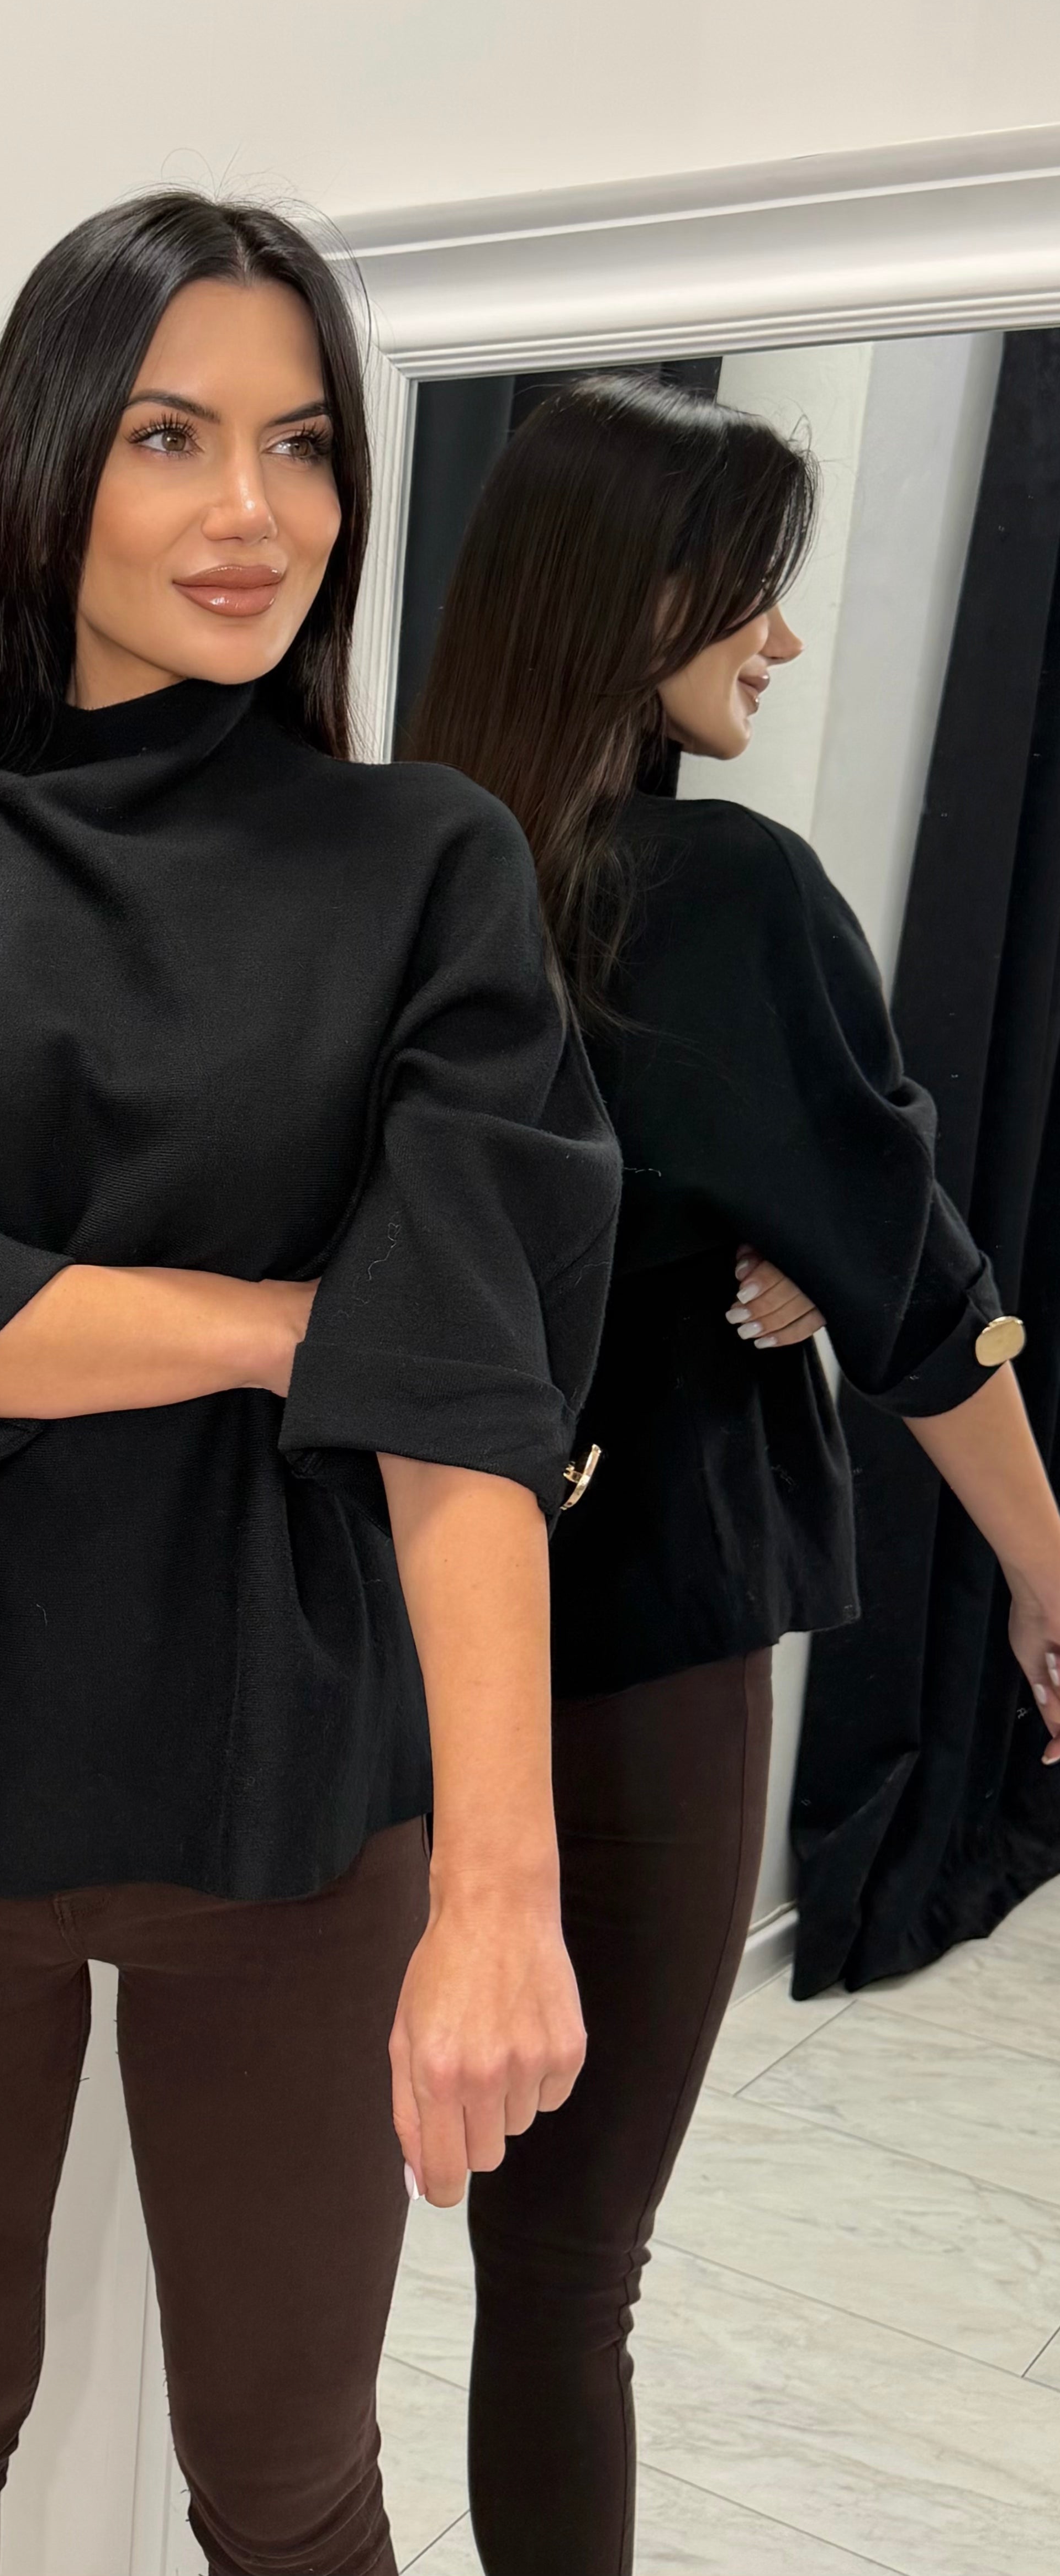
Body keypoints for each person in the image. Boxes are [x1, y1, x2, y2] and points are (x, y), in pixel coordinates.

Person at [0, 194, 621, 2576]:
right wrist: (282, 1320)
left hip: (293, 1798)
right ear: (44, 468)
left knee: (291, 2490)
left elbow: (472, 1381)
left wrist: (499, 1887)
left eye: (305, 445)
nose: (256, 510)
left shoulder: (424, 867)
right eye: (172, 436)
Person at [403, 372, 1060, 2576]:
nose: (778, 638)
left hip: (370, 1624)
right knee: (568, 2267)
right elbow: (920, 1289)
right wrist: (1050, 1572)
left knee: (394, 2251)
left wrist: (743, 1232)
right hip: (641, 1636)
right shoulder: (721, 893)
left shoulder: (402, 864)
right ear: (628, 596)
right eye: (747, 592)